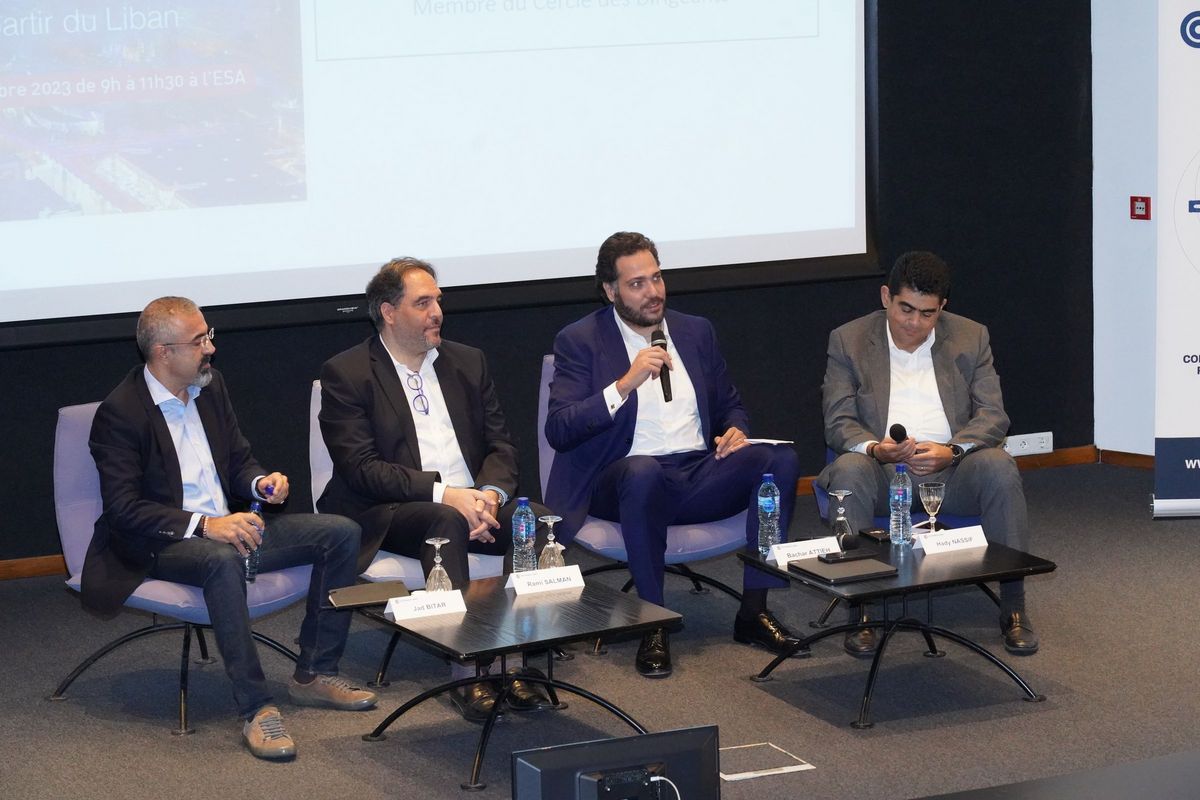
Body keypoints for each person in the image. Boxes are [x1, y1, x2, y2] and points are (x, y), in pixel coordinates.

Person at [83, 297, 375, 762]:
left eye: (209, 335)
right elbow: (124, 510)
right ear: (163, 352)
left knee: (340, 533)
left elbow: (238, 460)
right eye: (199, 341)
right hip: (160, 543)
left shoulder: (210, 387)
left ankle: (313, 674)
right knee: (221, 559)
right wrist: (205, 525)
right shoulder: (122, 412)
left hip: (229, 527)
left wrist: (260, 483)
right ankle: (257, 708)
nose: (211, 349)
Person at [544, 231, 802, 678]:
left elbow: (730, 403)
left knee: (780, 461)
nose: (653, 292)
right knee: (642, 472)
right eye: (637, 283)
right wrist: (624, 384)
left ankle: (754, 611)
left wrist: (736, 430)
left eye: (657, 278)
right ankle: (653, 623)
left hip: (697, 471)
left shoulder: (694, 330)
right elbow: (560, 428)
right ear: (610, 291)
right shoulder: (581, 339)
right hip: (621, 480)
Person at [318, 257, 552, 722]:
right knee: (445, 520)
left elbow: (502, 445)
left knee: (537, 521)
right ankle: (467, 671)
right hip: (393, 510)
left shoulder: (467, 361)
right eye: (422, 303)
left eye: (438, 301)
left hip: (475, 500)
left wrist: (489, 496)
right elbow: (362, 469)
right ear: (389, 312)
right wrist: (449, 496)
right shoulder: (348, 372)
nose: (437, 313)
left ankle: (515, 661)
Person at [818, 250, 1038, 655]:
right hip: (883, 474)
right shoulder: (849, 340)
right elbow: (838, 421)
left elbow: (993, 415)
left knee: (999, 465)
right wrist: (877, 450)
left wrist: (951, 451)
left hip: (953, 472)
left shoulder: (971, 336)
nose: (914, 323)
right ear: (886, 297)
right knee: (849, 468)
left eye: (927, 313)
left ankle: (1014, 606)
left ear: (942, 308)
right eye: (905, 309)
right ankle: (862, 610)